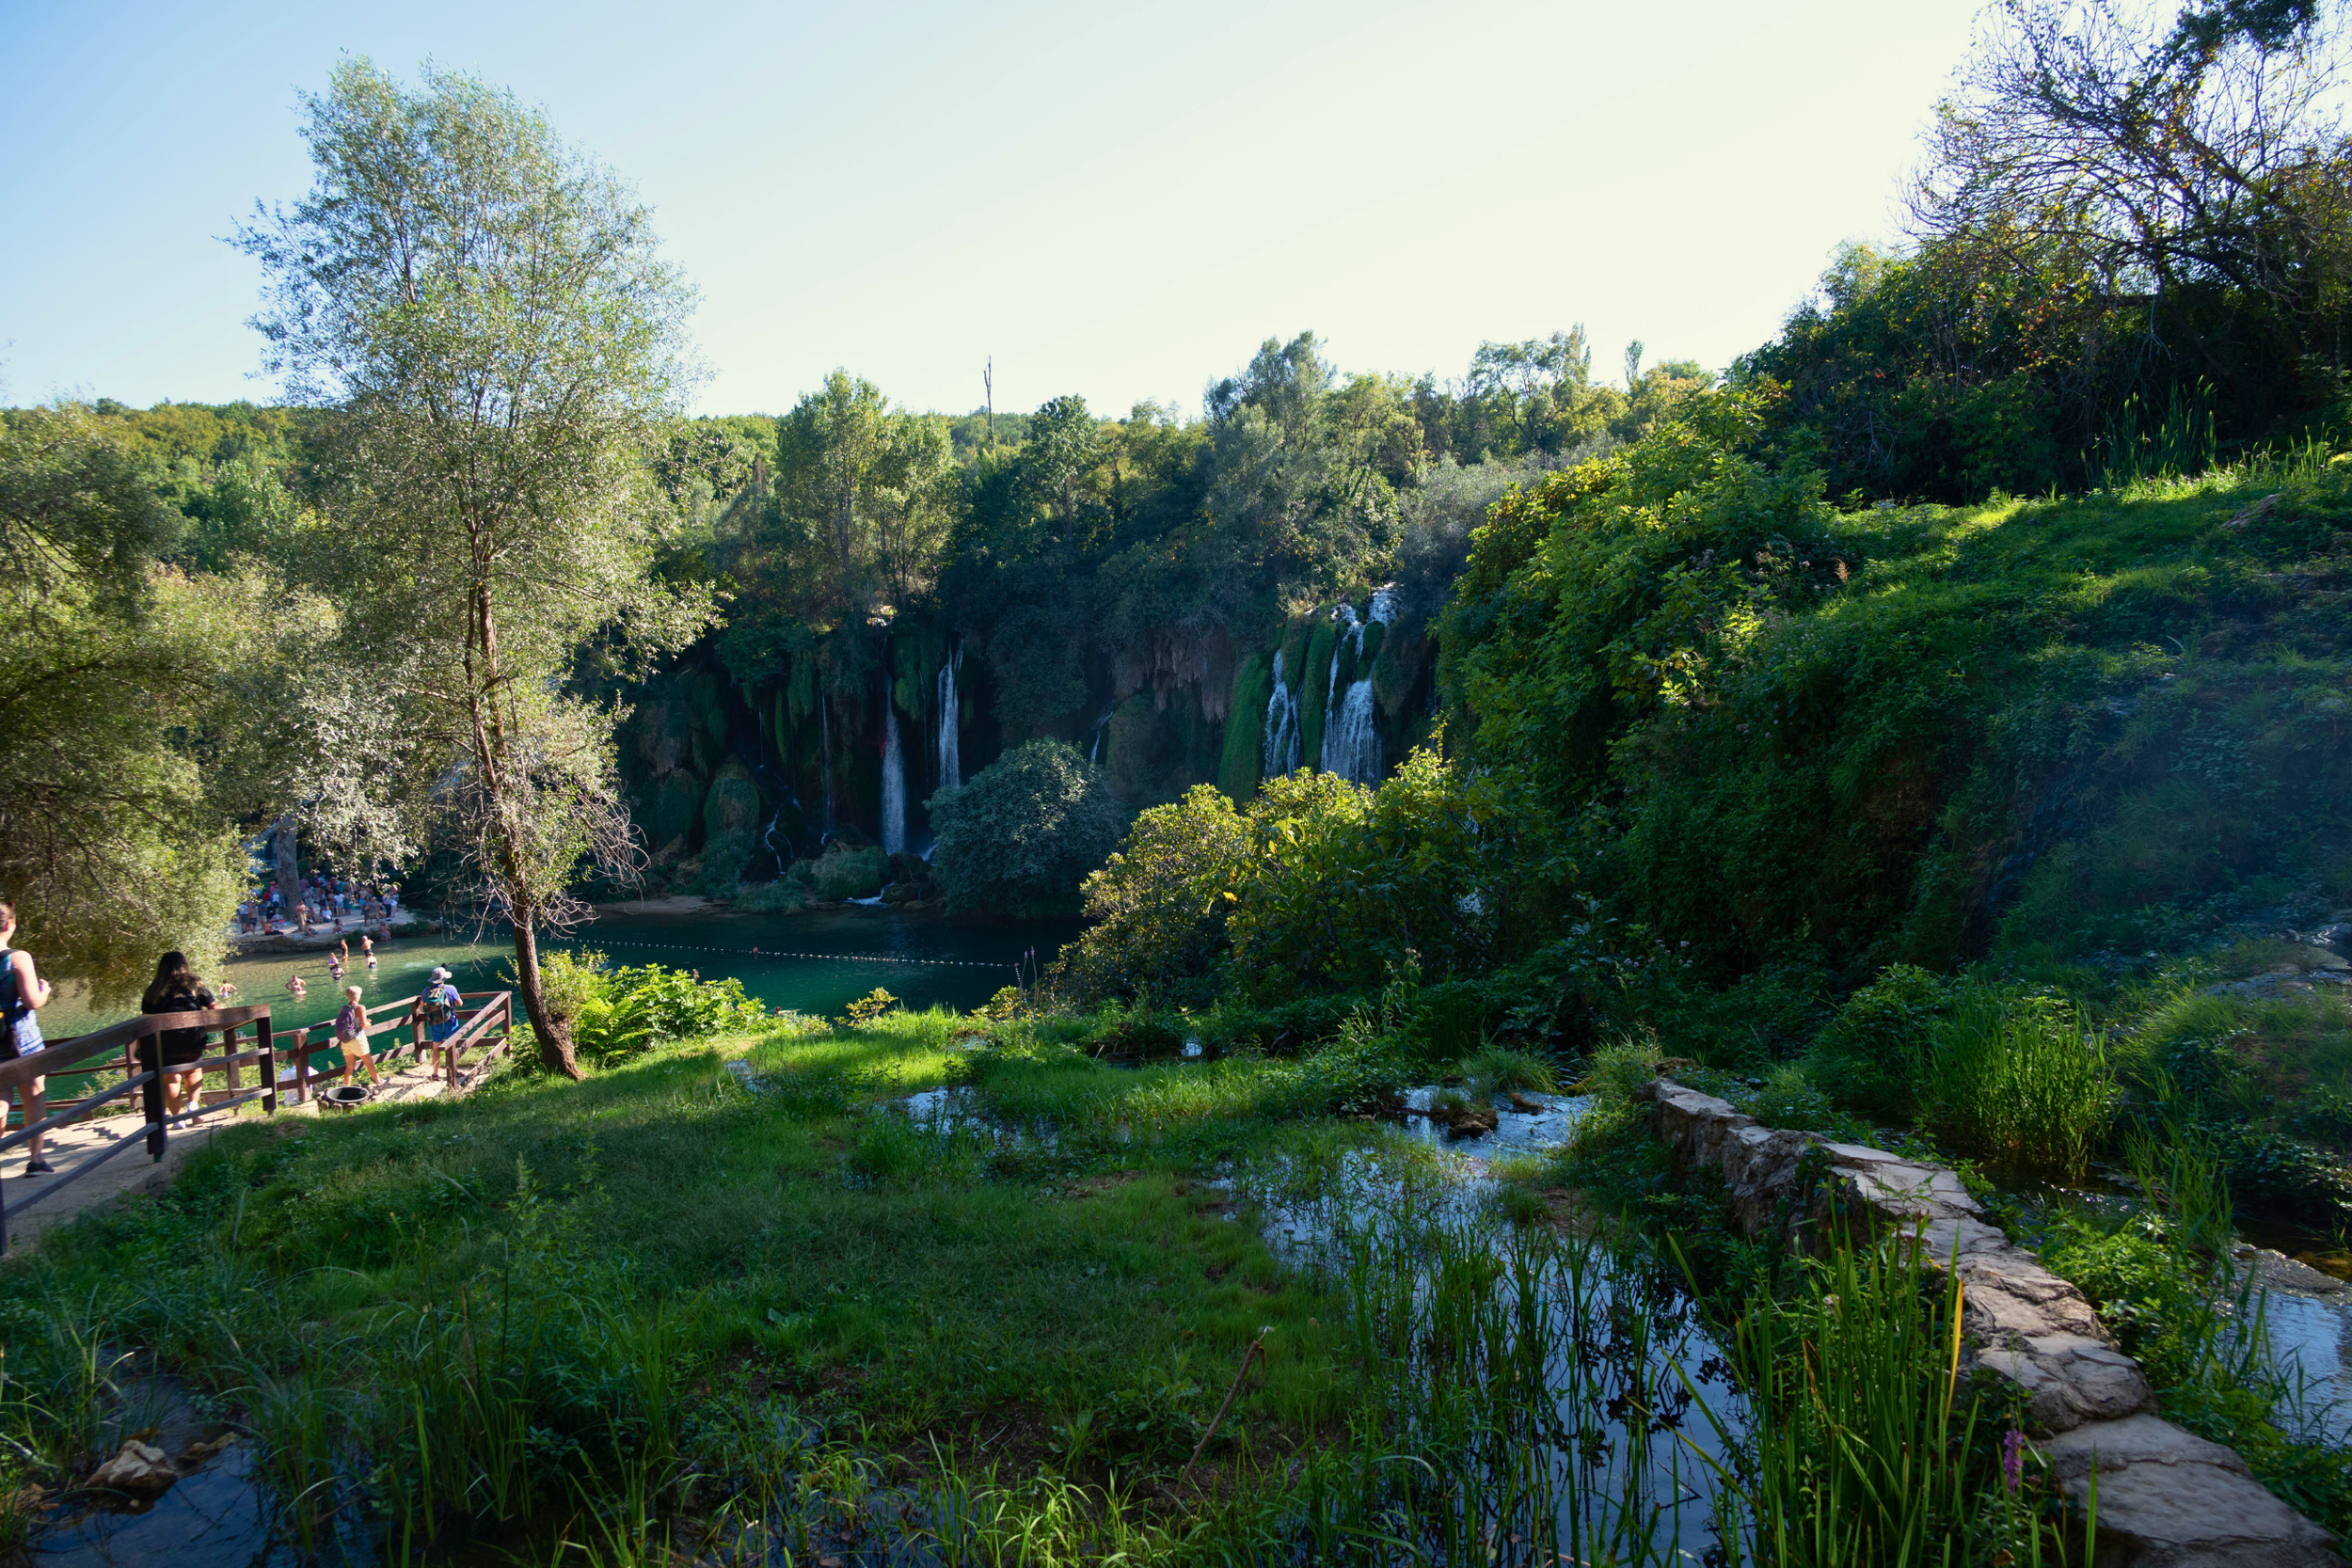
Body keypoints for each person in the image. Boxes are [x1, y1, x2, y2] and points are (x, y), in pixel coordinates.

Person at [0, 902, 54, 1176]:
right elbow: (32, 1001)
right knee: (33, 1094)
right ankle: (36, 1160)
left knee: (0, 1095)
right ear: (9, 925)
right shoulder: (18, 958)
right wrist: (44, 990)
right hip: (21, 1037)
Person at [139, 952, 215, 1120]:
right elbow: (214, 1006)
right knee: (194, 1070)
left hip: (166, 1044)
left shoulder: (153, 990)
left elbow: (145, 1020)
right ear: (184, 964)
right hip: (193, 1038)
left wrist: (139, 1046)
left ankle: (178, 1119)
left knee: (172, 1080)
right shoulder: (195, 983)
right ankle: (193, 1106)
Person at [332, 985, 381, 1090]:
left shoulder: (343, 1008)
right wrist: (368, 1023)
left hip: (345, 1040)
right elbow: (363, 1025)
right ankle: (379, 1082)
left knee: (350, 1066)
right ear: (358, 996)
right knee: (369, 1063)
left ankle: (346, 1088)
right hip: (357, 1039)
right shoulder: (360, 1007)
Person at [418, 966, 464, 1065]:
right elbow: (460, 1003)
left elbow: (422, 1005)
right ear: (444, 978)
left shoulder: (427, 990)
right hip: (450, 1021)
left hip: (434, 1021)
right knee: (451, 1047)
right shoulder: (450, 988)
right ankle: (453, 1072)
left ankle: (435, 1074)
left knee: (435, 1048)